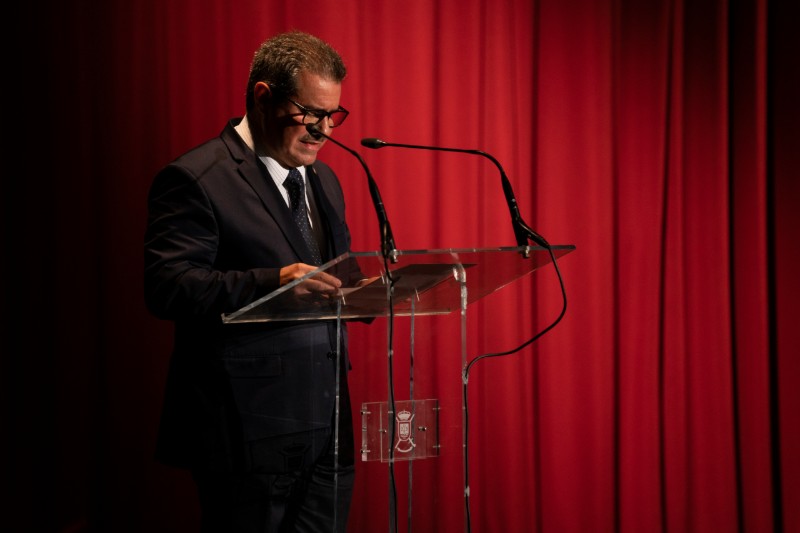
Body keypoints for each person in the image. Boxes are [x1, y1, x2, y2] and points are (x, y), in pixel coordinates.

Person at [144, 31, 364, 532]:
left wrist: (371, 290)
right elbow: (167, 285)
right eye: (310, 113)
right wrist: (273, 281)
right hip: (246, 433)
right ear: (263, 97)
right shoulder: (196, 178)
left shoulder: (325, 179)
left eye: (333, 115)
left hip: (329, 426)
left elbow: (332, 273)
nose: (324, 130)